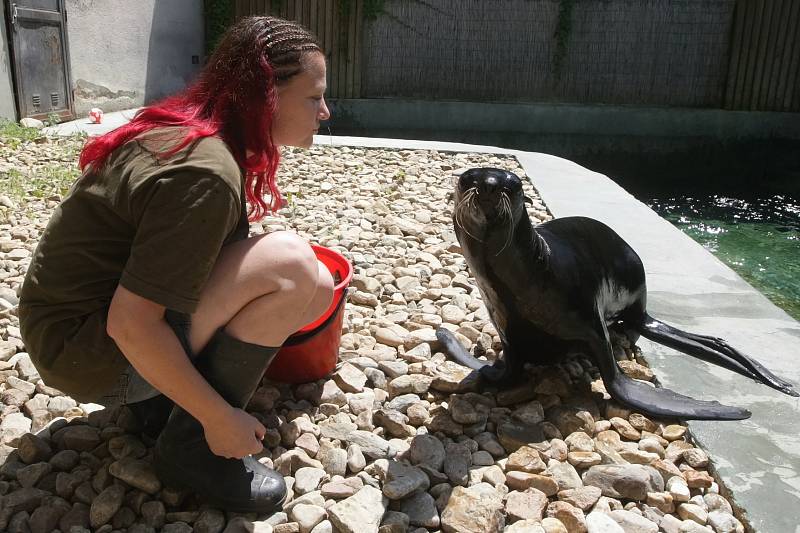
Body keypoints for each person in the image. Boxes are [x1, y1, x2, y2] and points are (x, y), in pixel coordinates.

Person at [18, 16, 333, 513]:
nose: (325, 112)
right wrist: (218, 417)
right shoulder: (204, 173)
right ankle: (191, 448)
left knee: (314, 282)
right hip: (87, 351)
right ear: (267, 97)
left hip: (78, 332)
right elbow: (131, 322)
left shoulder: (193, 132)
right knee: (290, 265)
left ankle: (159, 405)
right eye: (314, 97)